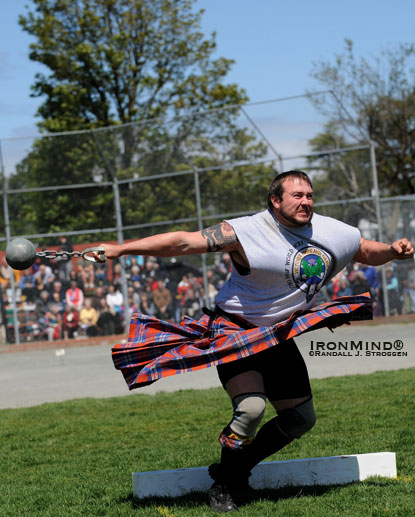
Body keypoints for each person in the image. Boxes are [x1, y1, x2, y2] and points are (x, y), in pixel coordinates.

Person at [95, 171, 413, 512]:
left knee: (301, 420)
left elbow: (364, 250)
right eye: (296, 195)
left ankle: (234, 469)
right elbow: (183, 242)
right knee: (250, 409)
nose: (305, 201)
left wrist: (392, 251)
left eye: (309, 194)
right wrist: (122, 249)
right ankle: (225, 486)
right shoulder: (246, 231)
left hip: (278, 335)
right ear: (275, 200)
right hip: (236, 332)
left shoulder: (332, 231)